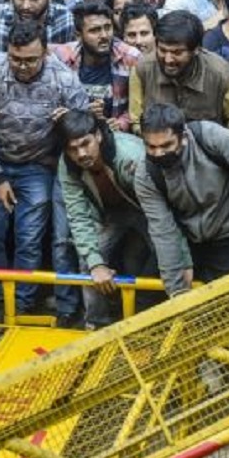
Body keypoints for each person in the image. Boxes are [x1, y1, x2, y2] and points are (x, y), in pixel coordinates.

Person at [0, 20, 89, 321]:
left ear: (45, 53)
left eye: (30, 60)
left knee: (28, 238)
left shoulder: (64, 79)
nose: (22, 66)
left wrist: (67, 121)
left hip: (38, 167)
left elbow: (83, 126)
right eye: (16, 58)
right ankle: (0, 298)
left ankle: (22, 301)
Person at [136, 103, 229, 295]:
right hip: (192, 240)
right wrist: (176, 292)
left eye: (166, 145)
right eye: (151, 146)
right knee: (148, 296)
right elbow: (162, 231)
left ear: (183, 138)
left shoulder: (208, 135)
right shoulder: (146, 175)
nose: (158, 153)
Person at [57, 110, 158, 330]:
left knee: (159, 256)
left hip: (148, 210)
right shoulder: (67, 165)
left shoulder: (130, 156)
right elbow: (78, 214)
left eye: (86, 143)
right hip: (109, 214)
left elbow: (160, 208)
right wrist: (96, 264)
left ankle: (150, 322)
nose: (81, 153)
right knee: (89, 261)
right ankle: (96, 326)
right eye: (73, 149)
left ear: (99, 136)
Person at [128, 10, 229, 136]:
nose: (168, 60)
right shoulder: (142, 69)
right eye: (162, 50)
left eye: (177, 53)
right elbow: (135, 121)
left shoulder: (221, 73)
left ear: (196, 50)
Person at [49, 0, 143, 132]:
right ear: (78, 35)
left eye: (107, 27)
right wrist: (68, 115)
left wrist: (120, 123)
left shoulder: (131, 58)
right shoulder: (62, 58)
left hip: (115, 136)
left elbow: (138, 106)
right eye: (95, 30)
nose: (104, 35)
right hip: (75, 135)